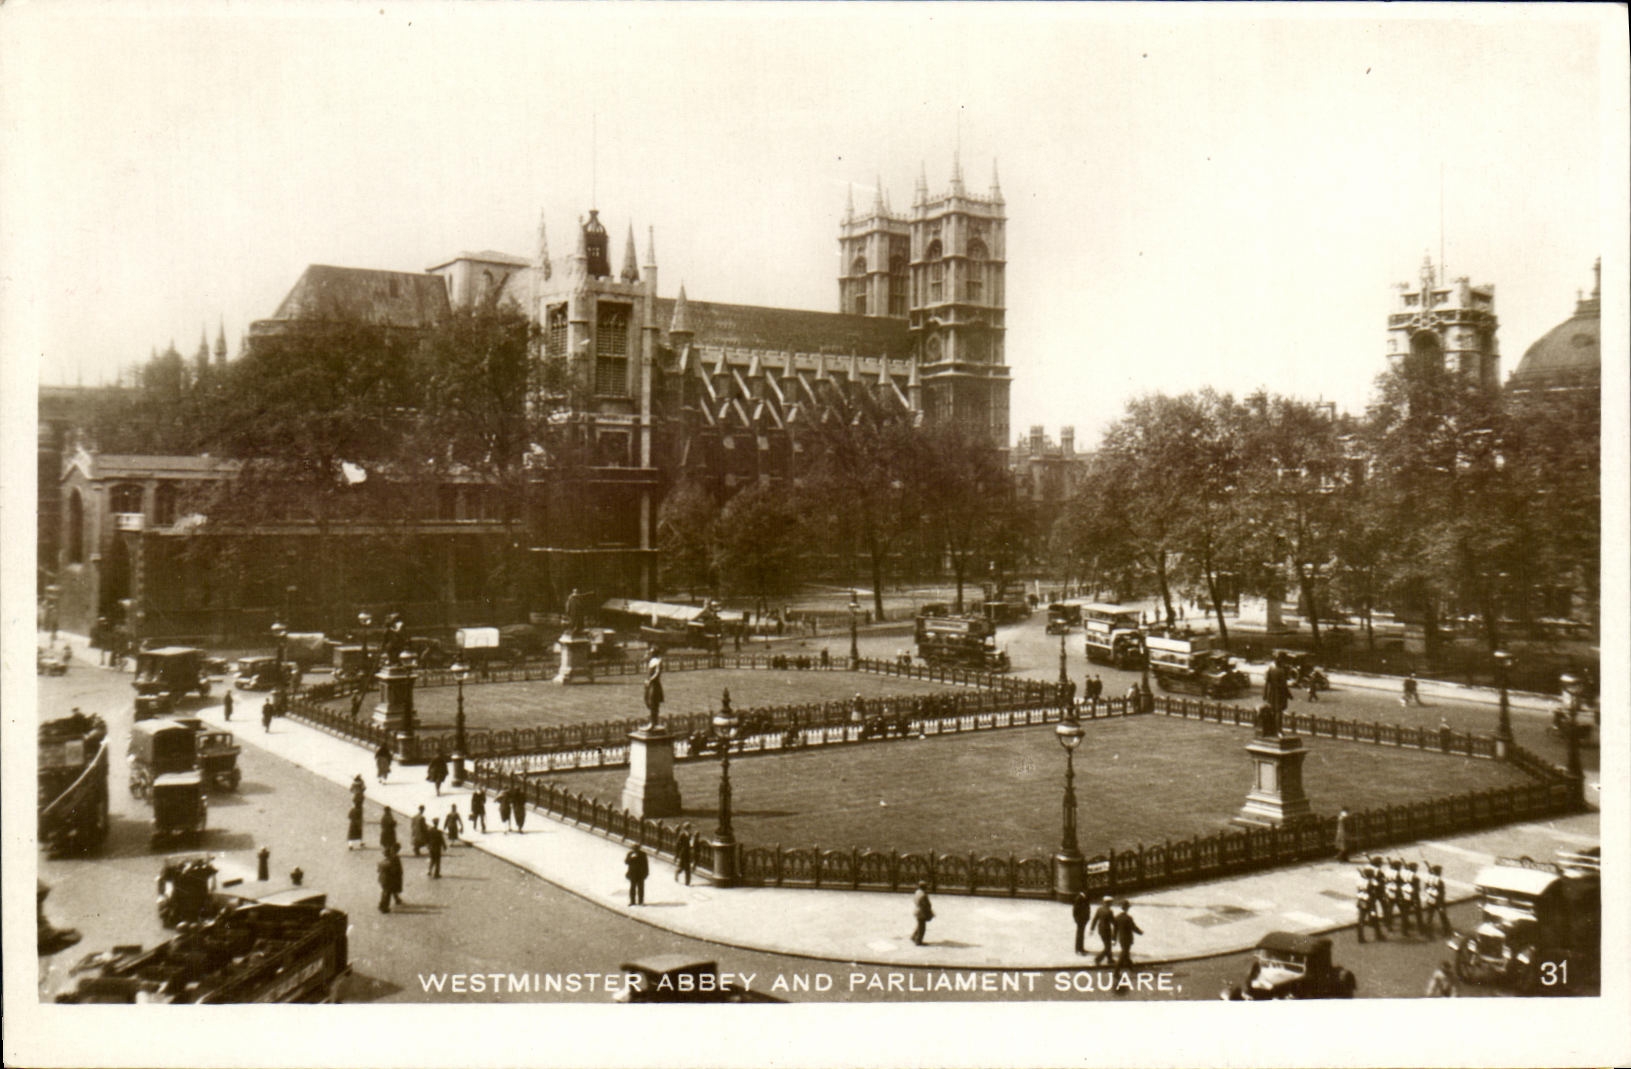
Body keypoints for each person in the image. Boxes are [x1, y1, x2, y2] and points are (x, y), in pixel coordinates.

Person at [1355, 866, 1382, 943]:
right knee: (1374, 917)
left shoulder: (1359, 880)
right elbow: (1377, 887)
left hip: (1361, 900)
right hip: (1370, 902)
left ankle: (1360, 937)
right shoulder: (1371, 882)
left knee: (1361, 919)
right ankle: (1378, 935)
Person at [1113, 900, 1143, 969]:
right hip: (1128, 939)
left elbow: (1115, 930)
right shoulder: (1128, 918)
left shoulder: (1117, 917)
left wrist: (1114, 939)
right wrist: (1140, 932)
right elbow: (1133, 927)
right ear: (1127, 908)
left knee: (1126, 953)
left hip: (1121, 938)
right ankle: (1116, 970)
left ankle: (1130, 966)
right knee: (1124, 953)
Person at [1425, 864, 1451, 935]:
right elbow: (1441, 893)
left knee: (1430, 916)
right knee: (1443, 916)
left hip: (1430, 899)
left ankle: (1428, 931)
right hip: (1438, 901)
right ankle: (1447, 931)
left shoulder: (1429, 879)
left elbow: (1426, 888)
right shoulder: (1439, 881)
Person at [1091, 895, 1117, 965]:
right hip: (1107, 930)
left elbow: (1095, 919)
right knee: (1107, 947)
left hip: (1100, 930)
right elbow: (1113, 922)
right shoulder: (1109, 911)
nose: (1111, 904)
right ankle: (1098, 959)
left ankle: (1110, 959)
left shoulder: (1099, 909)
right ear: (1108, 903)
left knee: (1107, 945)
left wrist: (1092, 929)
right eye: (1111, 902)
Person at [910, 882, 933, 946]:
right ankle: (918, 941)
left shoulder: (917, 892)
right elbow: (925, 905)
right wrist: (929, 912)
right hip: (921, 912)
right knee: (922, 927)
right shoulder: (923, 894)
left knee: (919, 925)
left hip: (917, 910)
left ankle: (913, 937)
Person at [1071, 891, 1092, 955]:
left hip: (1084, 919)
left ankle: (1081, 948)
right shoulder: (1079, 898)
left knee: (1081, 935)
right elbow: (1075, 911)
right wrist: (1077, 920)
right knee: (1079, 935)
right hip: (1080, 920)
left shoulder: (1085, 898)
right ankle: (1078, 949)